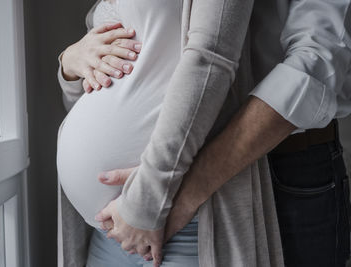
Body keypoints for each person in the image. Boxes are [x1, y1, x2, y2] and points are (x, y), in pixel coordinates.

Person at [89, 1, 351, 266]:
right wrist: (73, 58)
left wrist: (181, 191)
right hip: (137, 199)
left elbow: (317, 63)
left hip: (280, 167)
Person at [56, 0, 285, 266]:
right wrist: (70, 65)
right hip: (105, 232)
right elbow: (90, 92)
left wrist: (146, 202)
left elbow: (211, 61)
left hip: (181, 224)